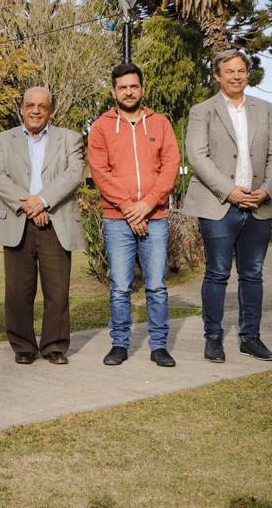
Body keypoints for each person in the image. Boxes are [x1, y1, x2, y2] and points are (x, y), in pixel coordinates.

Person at [183, 49, 272, 363]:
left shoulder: (265, 109)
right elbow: (197, 156)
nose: (237, 76)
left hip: (258, 206)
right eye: (230, 71)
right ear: (217, 75)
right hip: (218, 206)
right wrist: (230, 192)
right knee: (216, 274)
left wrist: (266, 190)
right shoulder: (203, 111)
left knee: (253, 274)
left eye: (241, 70)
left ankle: (250, 338)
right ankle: (213, 338)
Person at [88, 62, 180, 368]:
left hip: (155, 217)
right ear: (113, 91)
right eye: (122, 87)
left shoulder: (161, 124)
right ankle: (119, 344)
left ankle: (158, 346)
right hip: (117, 219)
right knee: (120, 287)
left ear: (142, 88)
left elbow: (169, 168)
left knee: (156, 285)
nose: (129, 91)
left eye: (134, 86)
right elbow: (101, 172)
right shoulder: (101, 126)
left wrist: (147, 205)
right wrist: (130, 208)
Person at [0, 86, 86, 365]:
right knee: (18, 291)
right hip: (18, 220)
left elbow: (73, 175)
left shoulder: (70, 139)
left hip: (56, 223)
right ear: (21, 108)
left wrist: (43, 201)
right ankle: (23, 346)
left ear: (51, 111)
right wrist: (29, 205)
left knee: (57, 291)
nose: (35, 111)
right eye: (30, 105)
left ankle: (54, 346)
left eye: (42, 106)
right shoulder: (4, 139)